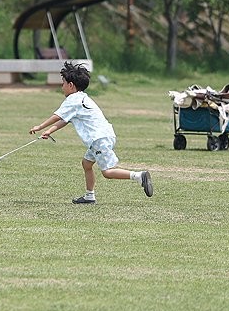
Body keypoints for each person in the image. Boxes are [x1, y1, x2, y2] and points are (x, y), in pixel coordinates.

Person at [29, 61, 153, 204]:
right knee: (86, 163)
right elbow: (65, 120)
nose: (61, 87)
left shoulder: (73, 99)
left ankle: (139, 176)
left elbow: (58, 116)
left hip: (99, 139)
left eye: (63, 83)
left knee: (107, 172)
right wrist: (49, 131)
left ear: (71, 85)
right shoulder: (82, 97)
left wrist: (40, 126)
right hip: (102, 137)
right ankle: (89, 196)